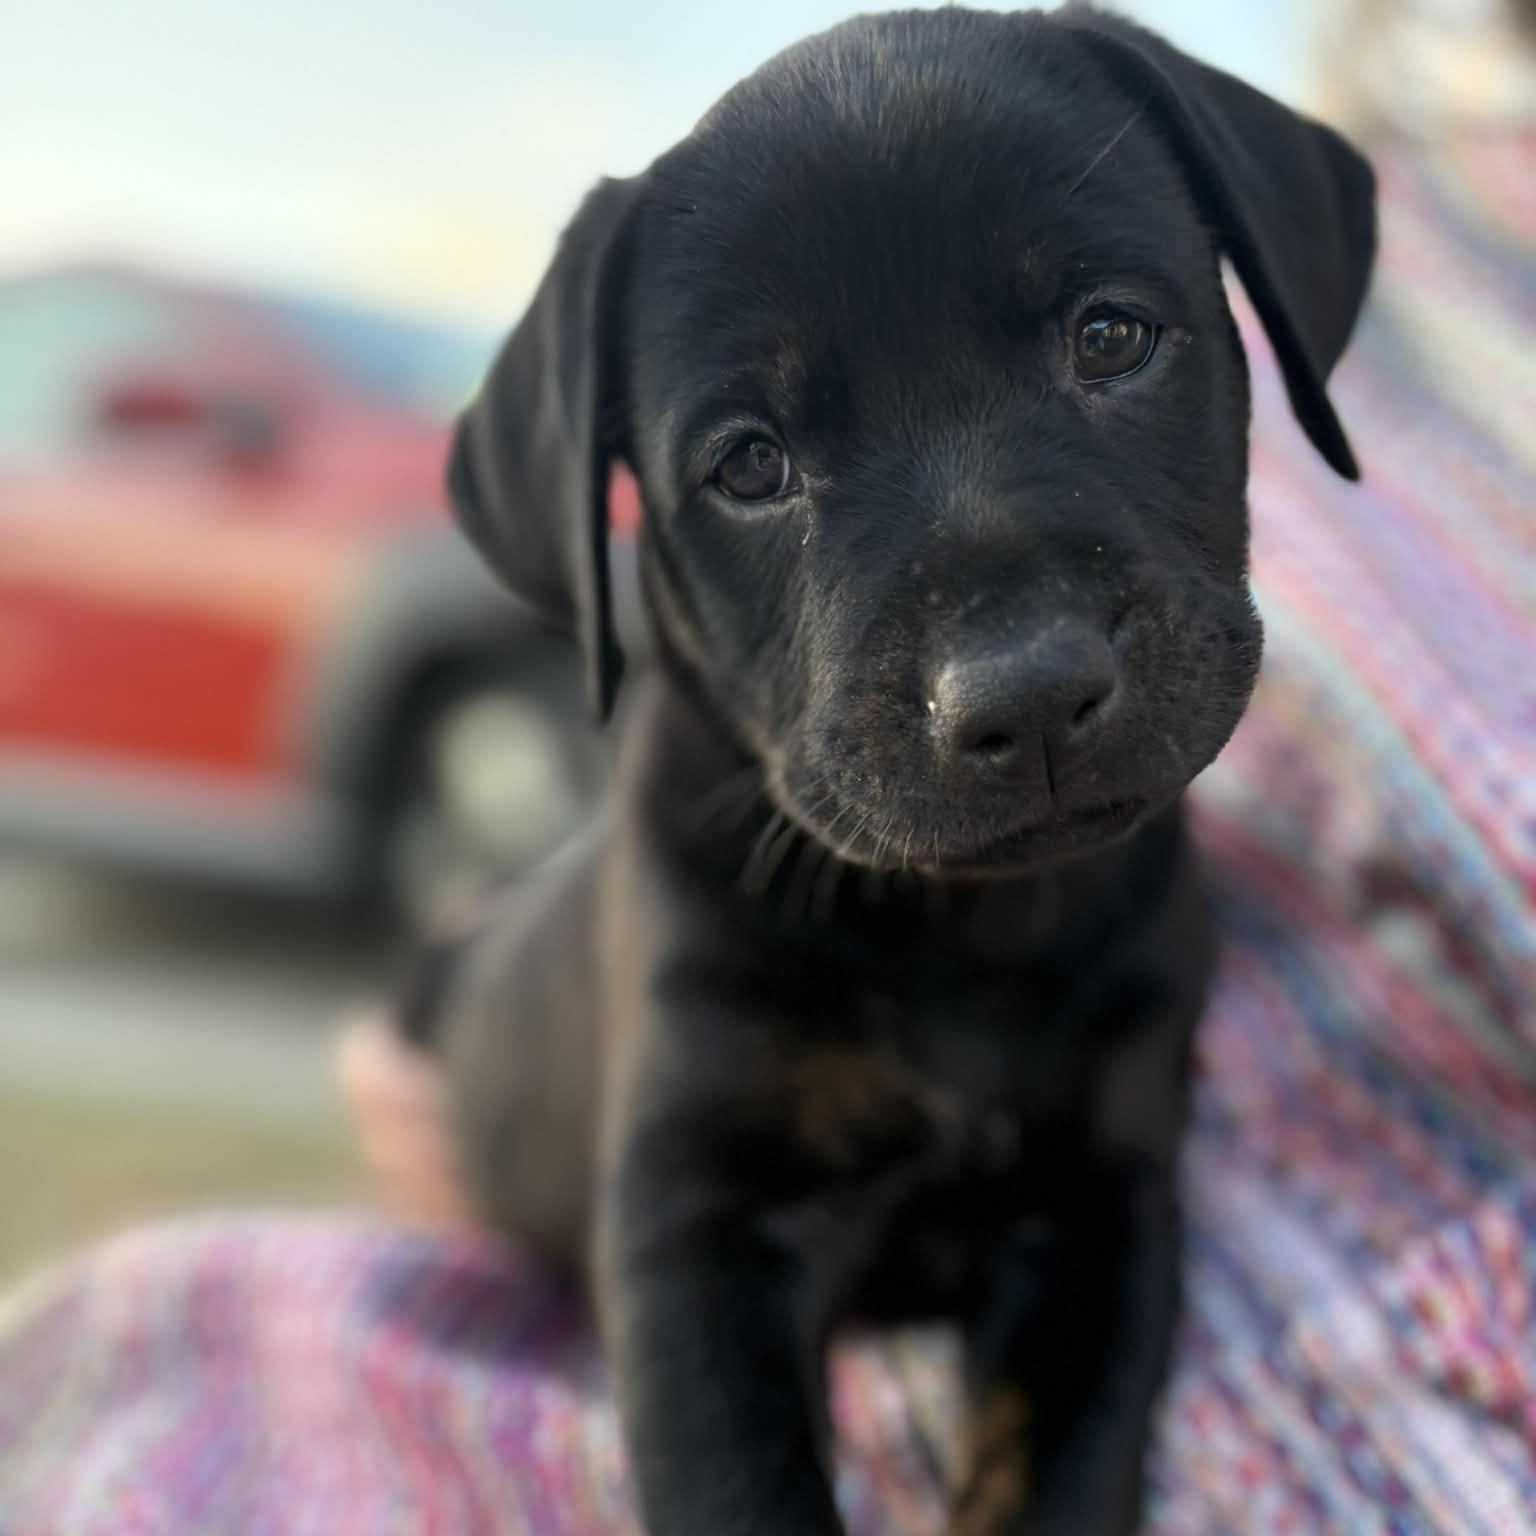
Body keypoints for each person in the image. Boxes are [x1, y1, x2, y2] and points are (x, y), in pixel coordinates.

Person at [2, 4, 1532, 1532]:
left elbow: (1100, 1227)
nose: (1006, 669)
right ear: (617, 534)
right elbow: (704, 1264)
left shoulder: (1150, 890)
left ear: (1255, 288)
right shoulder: (709, 919)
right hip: (503, 1069)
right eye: (750, 460)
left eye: (1109, 337)